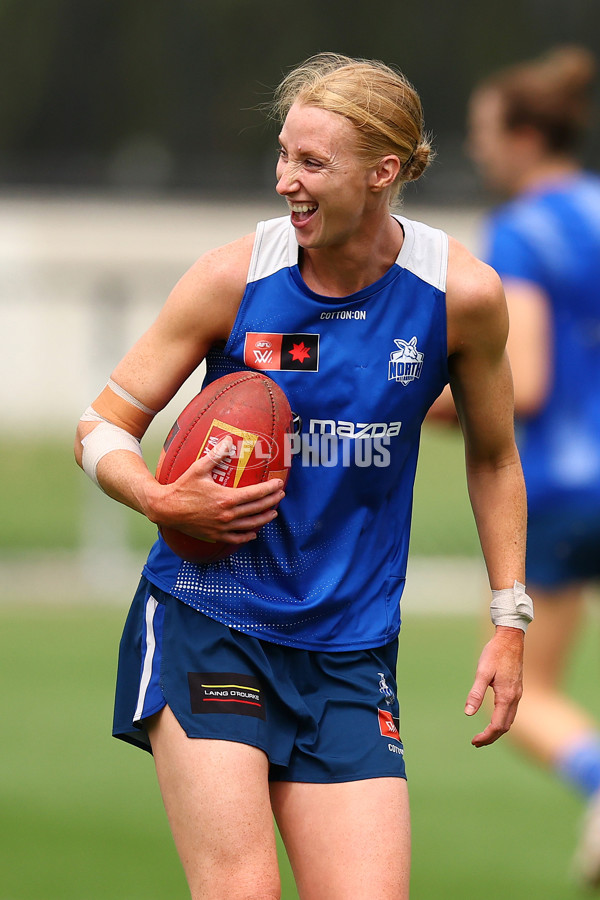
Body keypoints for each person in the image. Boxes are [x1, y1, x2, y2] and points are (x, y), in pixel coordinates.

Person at [74, 53, 531, 900]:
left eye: (312, 162)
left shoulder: (459, 295)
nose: (286, 179)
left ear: (383, 172)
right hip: (211, 618)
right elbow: (101, 424)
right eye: (284, 154)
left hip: (351, 648)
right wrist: (160, 497)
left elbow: (495, 454)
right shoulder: (232, 278)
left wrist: (509, 616)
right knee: (243, 890)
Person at [438, 45, 600, 889]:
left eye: (484, 133)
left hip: (569, 488)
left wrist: (387, 402)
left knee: (527, 691)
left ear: (527, 136)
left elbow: (524, 380)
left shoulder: (522, 231)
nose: (479, 150)